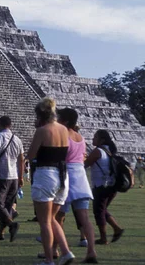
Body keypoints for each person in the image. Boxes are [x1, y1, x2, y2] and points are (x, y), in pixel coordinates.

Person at [28, 98, 74, 265]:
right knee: (53, 218)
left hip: (46, 174)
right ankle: (66, 251)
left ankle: (49, 259)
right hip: (63, 175)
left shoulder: (42, 131)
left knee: (45, 221)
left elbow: (31, 155)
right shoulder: (64, 130)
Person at [53, 108, 97, 263]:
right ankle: (91, 250)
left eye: (59, 118)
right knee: (84, 217)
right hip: (80, 176)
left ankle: (55, 249)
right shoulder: (80, 137)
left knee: (58, 216)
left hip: (67, 175)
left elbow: (60, 156)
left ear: (64, 121)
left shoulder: (63, 135)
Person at [84, 129, 125, 245]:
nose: (92, 139)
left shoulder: (98, 151)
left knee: (98, 211)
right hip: (112, 186)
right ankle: (116, 229)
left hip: (101, 186)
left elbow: (85, 164)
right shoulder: (109, 150)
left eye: (95, 137)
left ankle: (104, 238)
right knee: (102, 210)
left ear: (101, 140)